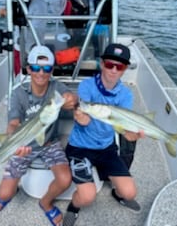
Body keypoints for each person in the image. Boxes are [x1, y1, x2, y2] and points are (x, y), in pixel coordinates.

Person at [0, 45, 78, 226]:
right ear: (28, 69)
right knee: (4, 194)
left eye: (46, 68)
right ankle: (10, 185)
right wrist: (14, 141)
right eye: (36, 67)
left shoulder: (56, 87)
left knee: (65, 179)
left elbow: (70, 98)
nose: (41, 72)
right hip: (23, 144)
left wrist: (71, 100)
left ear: (52, 70)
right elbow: (13, 123)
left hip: (48, 143)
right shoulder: (19, 93)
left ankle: (45, 203)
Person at [63, 43, 145, 226]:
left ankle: (117, 193)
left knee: (129, 192)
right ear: (101, 64)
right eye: (110, 64)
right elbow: (81, 111)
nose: (114, 70)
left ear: (124, 70)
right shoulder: (87, 85)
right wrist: (79, 117)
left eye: (120, 66)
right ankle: (73, 208)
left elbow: (122, 127)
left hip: (106, 147)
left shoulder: (125, 95)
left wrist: (130, 135)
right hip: (79, 147)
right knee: (87, 196)